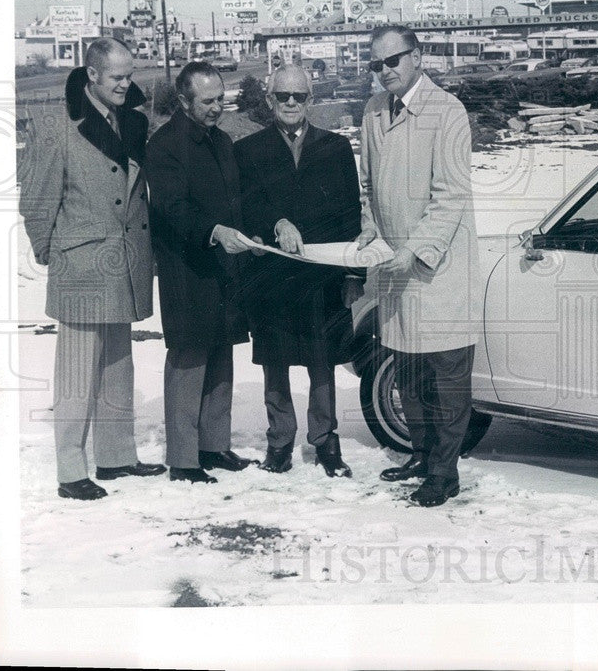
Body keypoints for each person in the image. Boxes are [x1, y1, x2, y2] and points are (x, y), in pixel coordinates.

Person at [19, 38, 166, 500]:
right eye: (118, 77)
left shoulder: (134, 122)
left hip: (125, 263)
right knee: (78, 372)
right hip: (81, 264)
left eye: (131, 75)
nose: (127, 84)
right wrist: (51, 253)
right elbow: (38, 200)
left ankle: (117, 456)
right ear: (93, 75)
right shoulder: (57, 125)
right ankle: (70, 469)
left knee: (118, 364)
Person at [357, 24, 489, 507]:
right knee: (407, 371)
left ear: (417, 57)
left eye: (393, 61)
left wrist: (414, 249)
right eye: (376, 65)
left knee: (446, 377)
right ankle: (420, 454)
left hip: (438, 268)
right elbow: (367, 184)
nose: (384, 72)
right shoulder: (373, 111)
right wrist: (370, 230)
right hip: (394, 268)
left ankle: (444, 473)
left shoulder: (448, 112)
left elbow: (451, 195)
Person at [234, 64, 364, 476]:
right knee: (274, 360)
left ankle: (326, 441)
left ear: (312, 99)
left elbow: (350, 213)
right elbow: (244, 204)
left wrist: (352, 275)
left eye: (300, 96)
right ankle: (279, 442)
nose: (291, 104)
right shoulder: (247, 150)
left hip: (323, 276)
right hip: (271, 275)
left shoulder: (337, 147)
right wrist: (275, 222)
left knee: (322, 360)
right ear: (270, 100)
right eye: (283, 97)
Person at [145, 61, 255, 484]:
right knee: (190, 357)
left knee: (222, 353)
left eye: (220, 99)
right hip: (188, 269)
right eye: (207, 101)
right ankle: (184, 459)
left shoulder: (223, 140)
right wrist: (214, 232)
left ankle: (214, 445)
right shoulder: (166, 145)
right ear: (184, 101)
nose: (217, 108)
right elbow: (171, 209)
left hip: (225, 265)